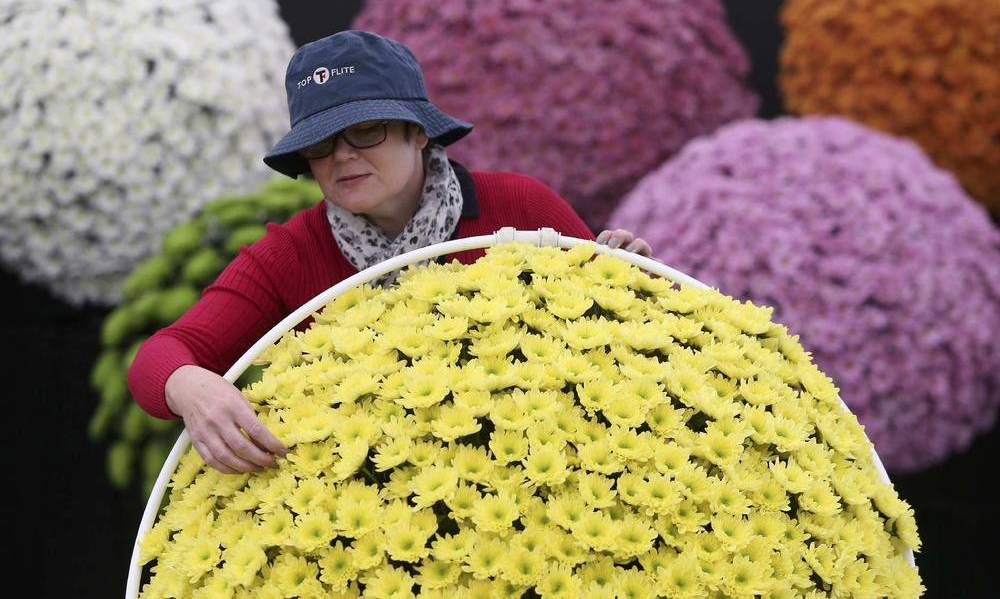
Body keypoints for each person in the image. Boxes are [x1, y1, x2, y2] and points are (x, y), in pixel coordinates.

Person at [127, 30, 653, 474]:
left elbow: (645, 327)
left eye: (365, 130)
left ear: (418, 132)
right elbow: (159, 358)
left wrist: (630, 280)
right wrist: (190, 386)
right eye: (321, 143)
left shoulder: (517, 205)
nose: (343, 156)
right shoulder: (289, 253)